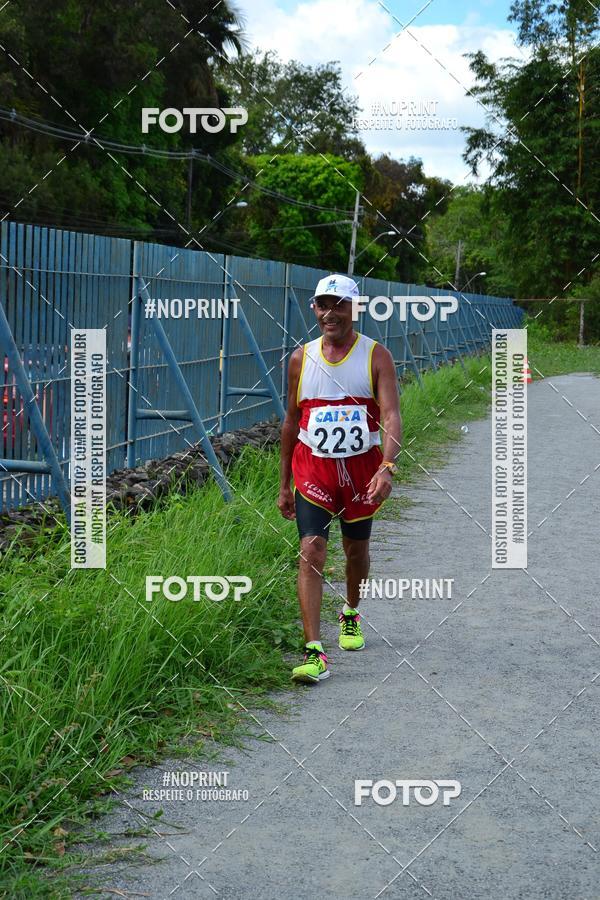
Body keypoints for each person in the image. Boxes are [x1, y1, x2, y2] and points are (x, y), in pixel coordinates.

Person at [278, 273, 402, 684]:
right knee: (311, 551)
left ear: (354, 308)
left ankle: (350, 610)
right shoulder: (301, 359)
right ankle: (314, 651)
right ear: (314, 308)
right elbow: (292, 421)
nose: (330, 314)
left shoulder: (375, 356)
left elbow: (390, 416)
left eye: (339, 305)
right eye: (322, 305)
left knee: (355, 552)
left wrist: (387, 465)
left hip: (361, 472)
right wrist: (283, 484)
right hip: (313, 468)